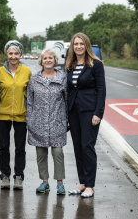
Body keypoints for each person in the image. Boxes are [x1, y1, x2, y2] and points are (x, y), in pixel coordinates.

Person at [65, 32, 106, 198]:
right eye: (76, 44)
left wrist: (98, 113)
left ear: (86, 45)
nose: (79, 46)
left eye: (81, 44)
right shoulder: (70, 65)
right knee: (77, 146)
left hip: (89, 111)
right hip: (73, 111)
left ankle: (90, 185)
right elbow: (68, 89)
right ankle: (82, 182)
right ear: (72, 47)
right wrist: (67, 115)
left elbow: (101, 90)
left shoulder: (95, 64)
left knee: (87, 146)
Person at [26, 49, 68, 195]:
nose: (48, 60)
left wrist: (67, 120)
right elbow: (29, 101)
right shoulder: (34, 79)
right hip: (38, 122)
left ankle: (60, 183)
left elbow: (67, 100)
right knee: (41, 153)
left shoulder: (62, 78)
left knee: (58, 152)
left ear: (55, 61)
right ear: (41, 61)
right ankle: (44, 182)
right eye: (45, 58)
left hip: (57, 121)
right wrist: (29, 120)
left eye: (51, 58)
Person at [0, 40, 32, 190]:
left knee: (20, 147)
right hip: (3, 114)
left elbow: (31, 94)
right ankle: (5, 176)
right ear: (6, 54)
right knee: (4, 147)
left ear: (20, 54)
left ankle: (18, 177)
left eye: (16, 53)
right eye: (10, 53)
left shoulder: (27, 72)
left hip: (21, 115)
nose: (13, 56)